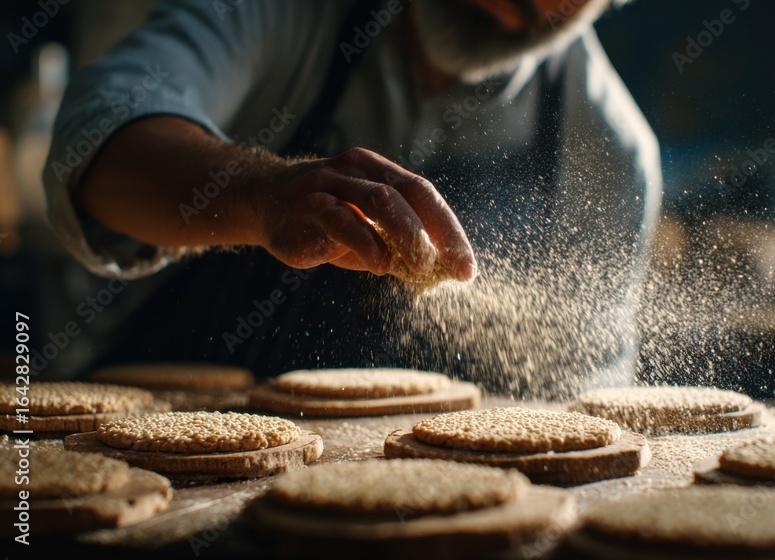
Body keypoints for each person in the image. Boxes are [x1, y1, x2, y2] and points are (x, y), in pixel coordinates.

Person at [43, 0, 662, 398]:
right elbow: (97, 143)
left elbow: (578, 403)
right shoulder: (281, 15)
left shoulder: (610, 151)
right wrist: (262, 195)